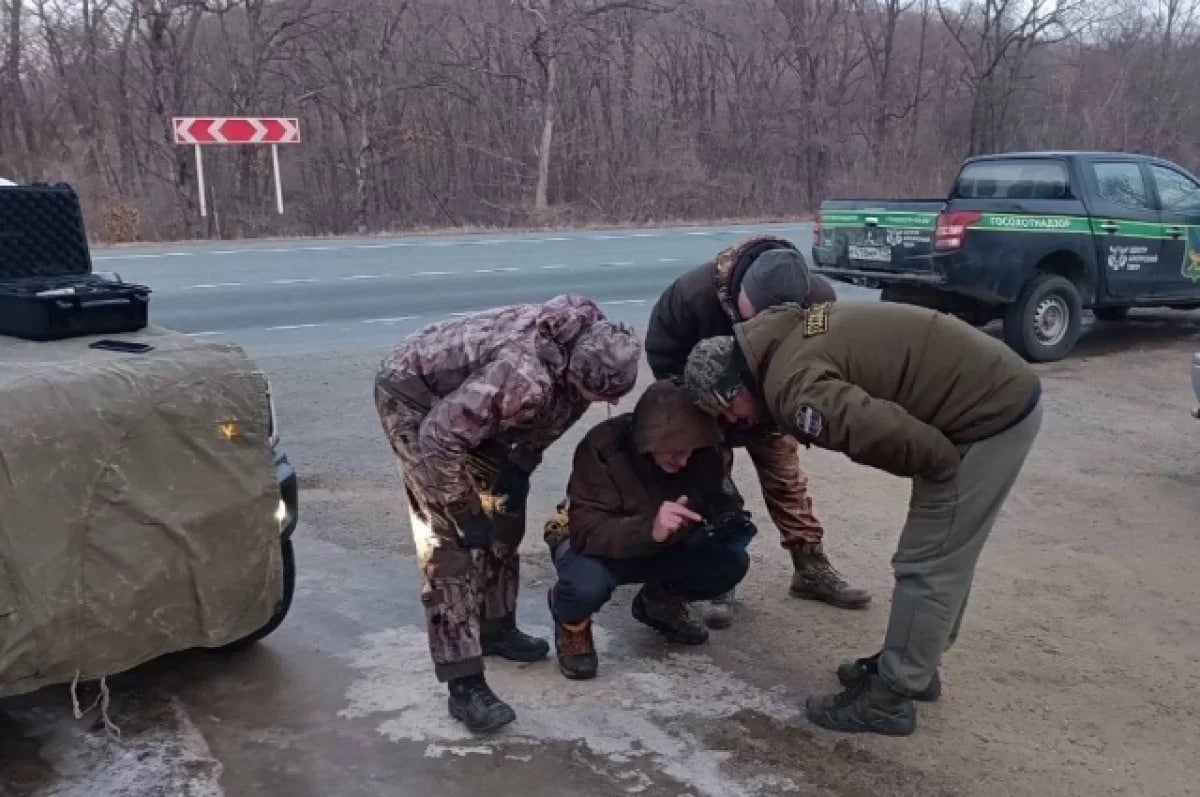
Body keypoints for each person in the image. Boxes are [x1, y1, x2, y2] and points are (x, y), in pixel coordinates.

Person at [682, 299, 1043, 736]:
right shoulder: (783, 337)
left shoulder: (794, 390)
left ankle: (891, 696)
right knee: (947, 555)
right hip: (987, 388)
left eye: (726, 411)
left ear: (735, 386)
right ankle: (917, 663)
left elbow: (879, 430)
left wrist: (943, 465)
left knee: (928, 563)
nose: (734, 421)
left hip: (987, 417)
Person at [373, 294, 641, 734]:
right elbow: (438, 439)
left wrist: (518, 468)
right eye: (596, 395)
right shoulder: (522, 377)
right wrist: (462, 508)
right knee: (450, 544)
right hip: (415, 401)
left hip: (469, 412)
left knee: (505, 517)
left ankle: (496, 627)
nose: (598, 405)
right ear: (576, 374)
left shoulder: (592, 345)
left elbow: (553, 416)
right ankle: (464, 684)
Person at [644, 235, 869, 628]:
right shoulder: (690, 296)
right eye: (757, 315)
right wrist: (702, 408)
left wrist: (787, 410)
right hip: (707, 405)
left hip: (769, 403)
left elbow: (821, 359)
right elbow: (664, 357)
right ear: (740, 292)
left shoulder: (817, 298)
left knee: (786, 479)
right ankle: (720, 575)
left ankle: (810, 567)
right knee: (714, 484)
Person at [544, 379, 753, 680]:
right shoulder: (602, 446)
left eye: (691, 451)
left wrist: (727, 519)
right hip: (598, 543)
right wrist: (649, 528)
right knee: (583, 588)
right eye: (675, 450)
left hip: (664, 543)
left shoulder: (703, 454)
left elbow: (720, 498)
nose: (683, 461)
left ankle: (659, 602)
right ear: (650, 439)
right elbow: (586, 530)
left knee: (729, 562)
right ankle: (571, 622)